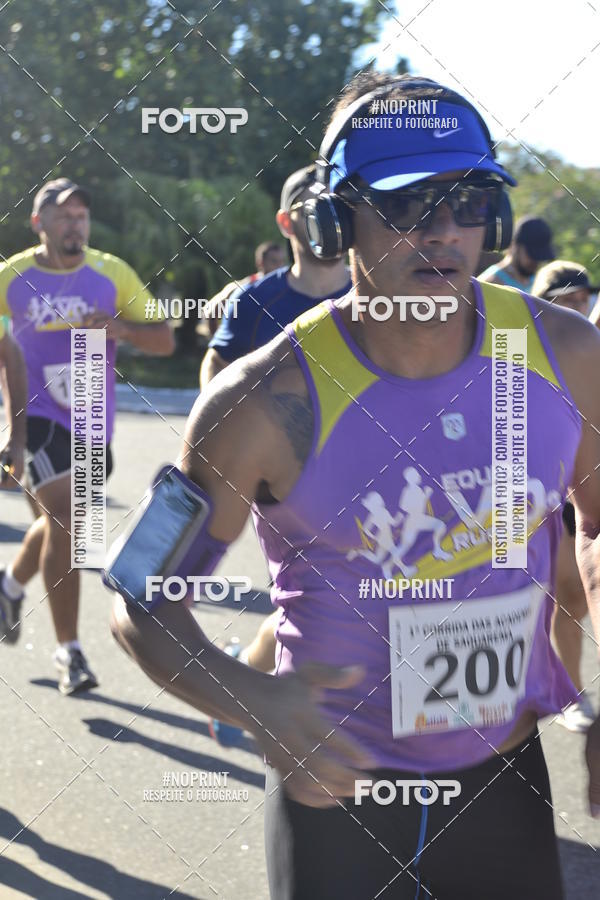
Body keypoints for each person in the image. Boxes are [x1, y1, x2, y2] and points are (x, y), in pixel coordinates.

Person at [110, 74, 600, 899]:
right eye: (406, 205)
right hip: (338, 797)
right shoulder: (261, 403)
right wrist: (255, 701)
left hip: (505, 784)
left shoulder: (566, 355)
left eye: (468, 200)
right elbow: (141, 596)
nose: (442, 231)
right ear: (337, 221)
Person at [0, 177, 174, 693]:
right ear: (39, 223)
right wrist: (12, 429)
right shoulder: (11, 277)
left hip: (93, 420)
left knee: (61, 525)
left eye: (81, 216)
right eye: (63, 215)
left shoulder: (111, 272)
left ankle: (9, 584)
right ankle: (69, 652)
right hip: (35, 416)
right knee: (66, 517)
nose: (74, 224)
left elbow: (165, 340)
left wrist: (123, 329)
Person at [199, 165, 351, 387]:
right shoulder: (252, 301)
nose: (332, 221)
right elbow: (216, 364)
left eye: (341, 208)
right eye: (318, 209)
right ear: (286, 222)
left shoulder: (379, 296)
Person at [531, 261, 599, 731]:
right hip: (544, 497)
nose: (577, 306)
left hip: (589, 488)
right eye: (566, 299)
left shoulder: (589, 345)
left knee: (576, 597)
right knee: (564, 598)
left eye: (582, 297)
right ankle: (568, 692)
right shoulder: (519, 348)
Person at [203, 242, 287, 338]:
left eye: (282, 261)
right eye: (274, 261)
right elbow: (210, 311)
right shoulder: (242, 287)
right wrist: (218, 340)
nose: (280, 266)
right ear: (260, 263)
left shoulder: (286, 289)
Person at [479, 215, 555, 291]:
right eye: (532, 254)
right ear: (514, 245)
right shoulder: (490, 283)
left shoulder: (539, 282)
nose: (536, 261)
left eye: (541, 256)